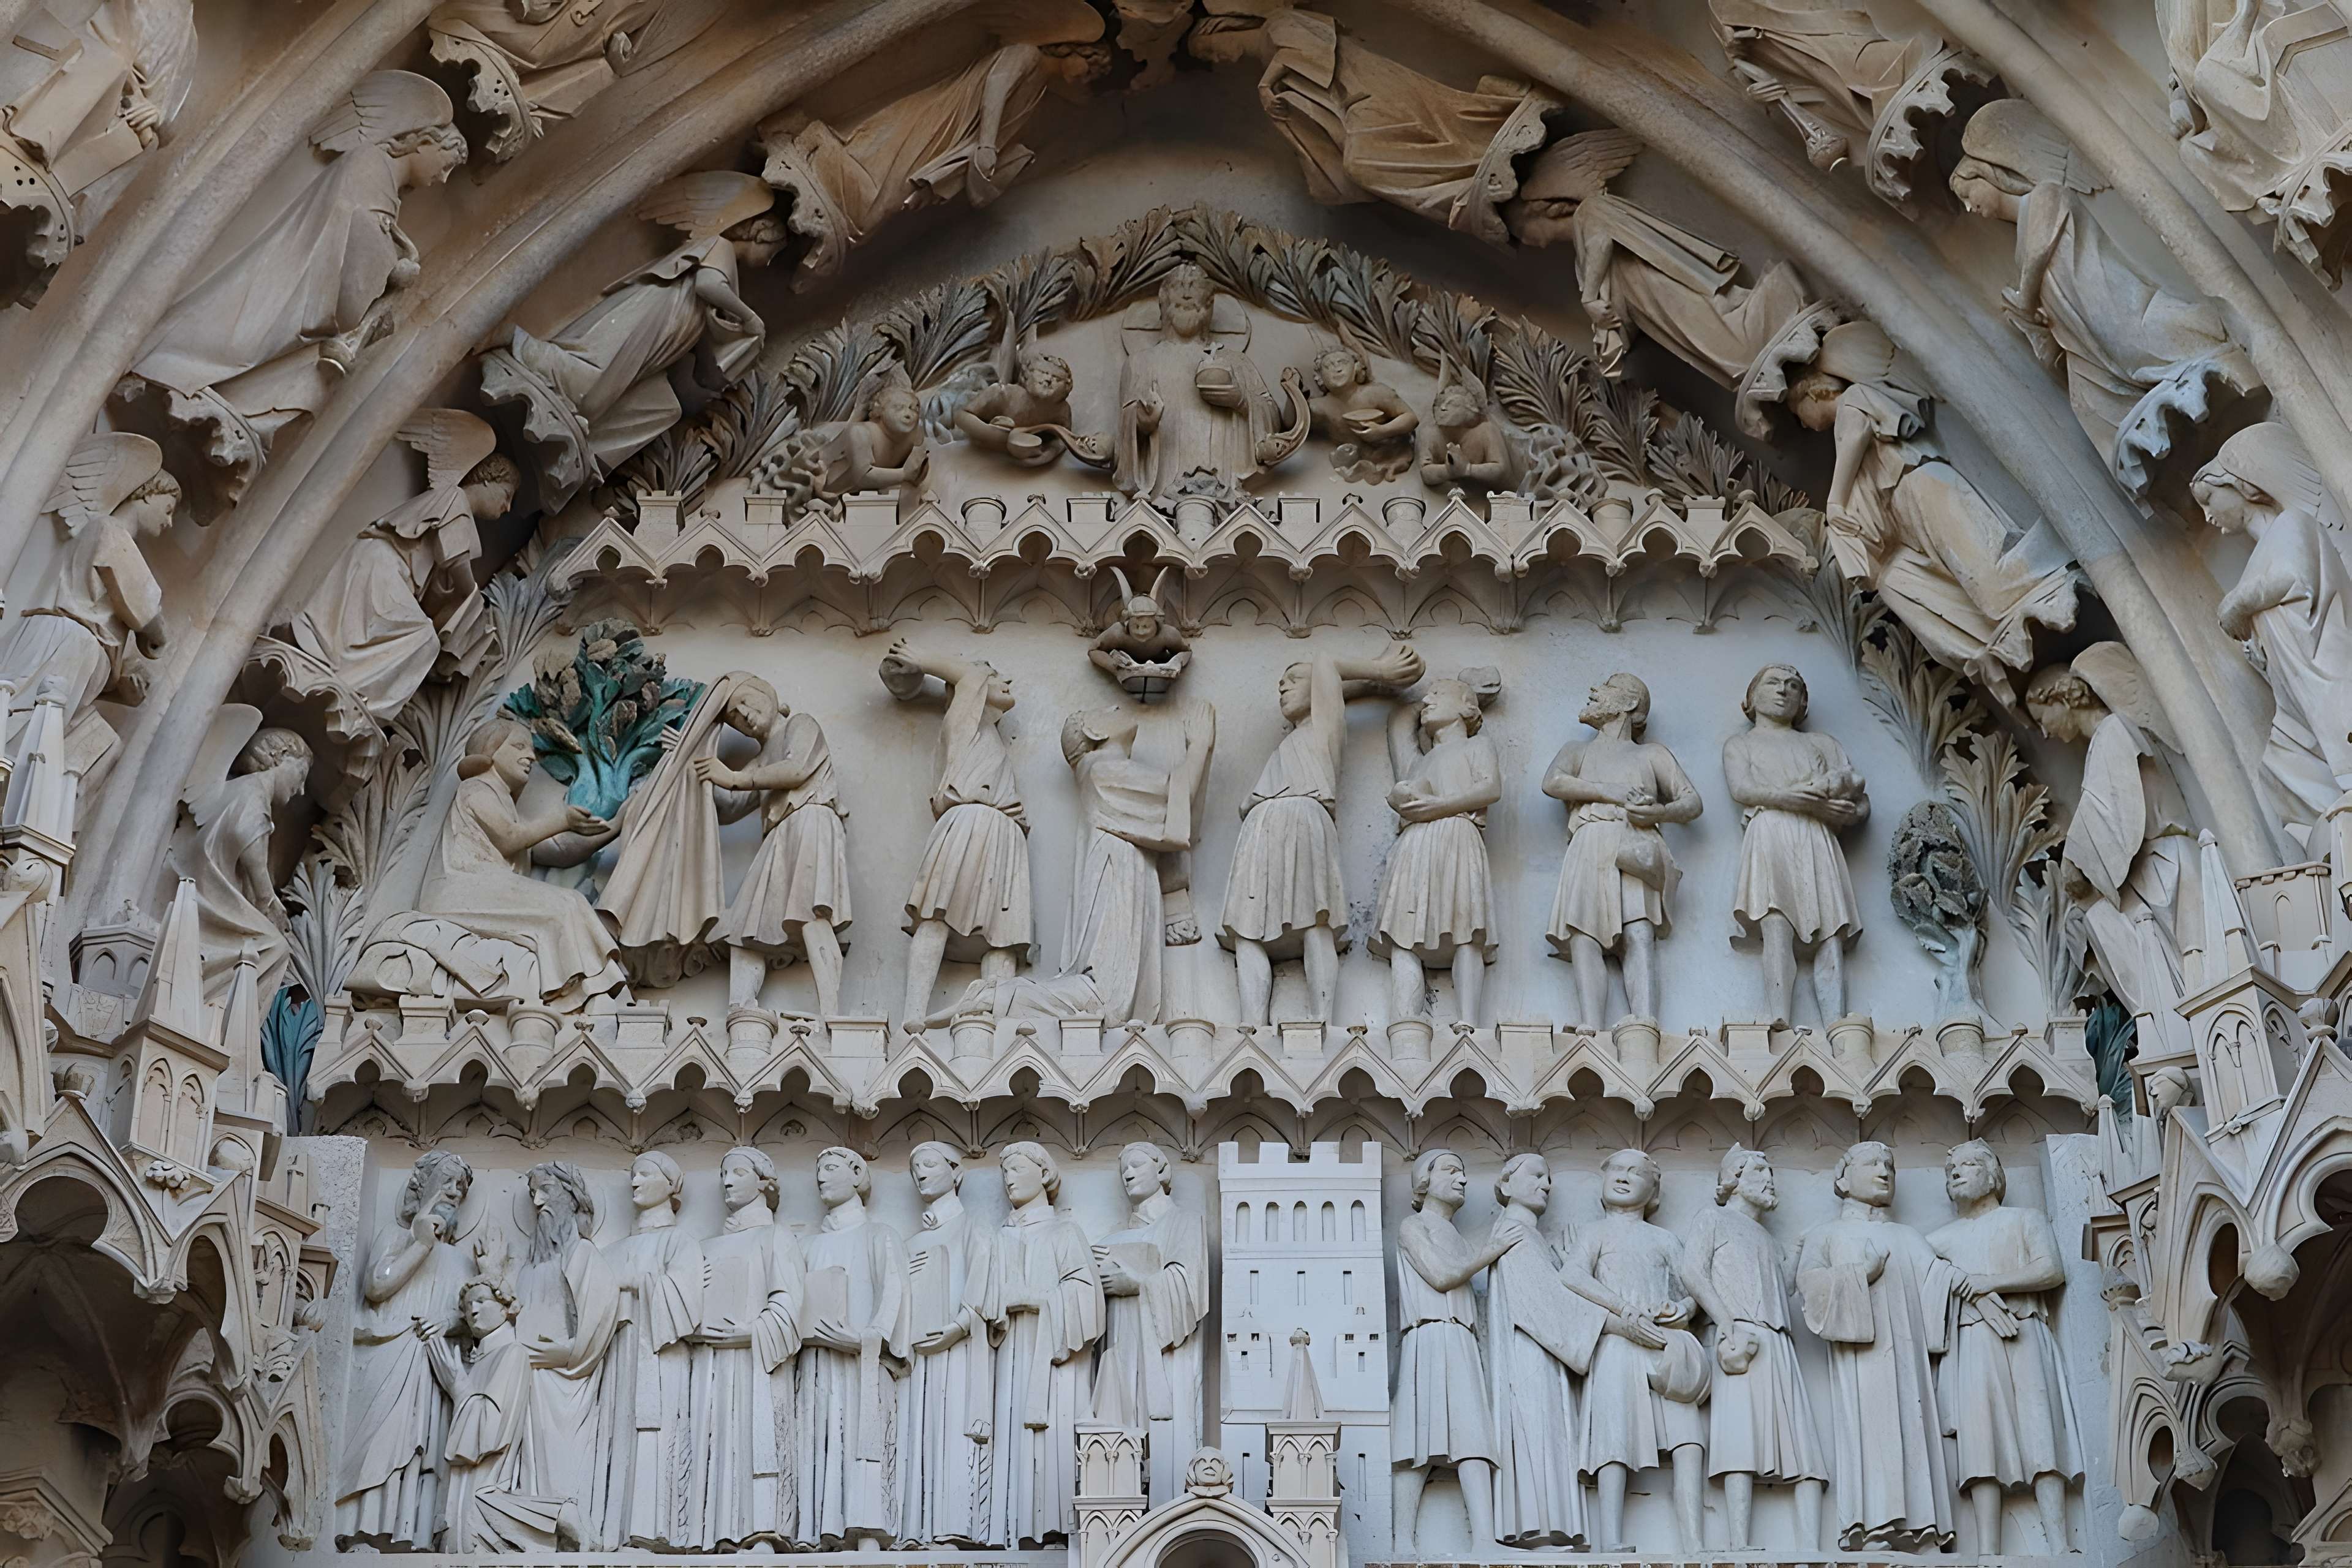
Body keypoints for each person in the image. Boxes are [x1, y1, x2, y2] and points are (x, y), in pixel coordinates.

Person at [1221, 644, 1423, 1024]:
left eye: (1294, 680)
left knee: (1316, 920)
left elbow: (1326, 664)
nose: (1282, 687)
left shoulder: (1324, 727)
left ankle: (1320, 1016)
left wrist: (1377, 671)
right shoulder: (1293, 739)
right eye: (1282, 682)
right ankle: (1252, 1021)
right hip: (1262, 830)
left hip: (1302, 820)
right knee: (1246, 929)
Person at [1795, 1142, 1954, 1551]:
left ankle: (1923, 1529)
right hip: (1861, 1356)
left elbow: (1944, 1282)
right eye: (1872, 1164)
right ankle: (1876, 1525)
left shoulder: (1907, 1236)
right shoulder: (1827, 1235)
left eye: (1890, 1165)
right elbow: (1808, 1286)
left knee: (1915, 1424)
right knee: (1870, 1429)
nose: (1884, 1172)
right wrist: (1858, 1275)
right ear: (1843, 1178)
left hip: (1909, 1354)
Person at [1928, 1140, 2081, 1553]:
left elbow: (2050, 1269)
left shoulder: (2023, 1220)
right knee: (1980, 1436)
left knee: (2040, 1426)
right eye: (1951, 1169)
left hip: (2025, 1329)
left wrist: (1987, 1282)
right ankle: (1988, 1551)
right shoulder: (1939, 1241)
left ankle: (2059, 1543)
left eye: (1969, 1165)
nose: (1957, 1173)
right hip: (1972, 1338)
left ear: (1994, 1174)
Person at [1681, 1145, 1827, 1549]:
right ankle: (1738, 1542)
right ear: (1734, 1178)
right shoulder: (1714, 1219)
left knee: (1802, 1442)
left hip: (1778, 1341)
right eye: (1760, 1171)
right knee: (1738, 1440)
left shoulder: (1767, 1237)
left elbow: (1783, 1286)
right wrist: (1724, 1320)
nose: (1769, 1180)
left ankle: (1811, 1547)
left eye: (1770, 1172)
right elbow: (1692, 1271)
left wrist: (1798, 1252)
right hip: (1738, 1337)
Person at [1542, 673, 1702, 1028]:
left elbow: (1691, 802)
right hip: (1590, 838)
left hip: (1634, 841)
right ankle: (1591, 1025)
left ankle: (1644, 1023)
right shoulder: (1577, 751)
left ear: (1629, 703)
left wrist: (1660, 812)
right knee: (1583, 932)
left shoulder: (1651, 754)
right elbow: (1553, 782)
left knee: (1639, 931)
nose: (1594, 690)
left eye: (1607, 687)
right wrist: (1610, 791)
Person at [1723, 665, 1868, 1025]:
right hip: (1770, 832)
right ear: (1751, 698)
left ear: (1803, 701)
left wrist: (1842, 813)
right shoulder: (1742, 745)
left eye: (1793, 686)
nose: (1783, 691)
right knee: (1776, 923)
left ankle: (1836, 1022)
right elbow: (1743, 789)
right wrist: (1799, 800)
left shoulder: (1820, 744)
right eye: (1772, 683)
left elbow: (1860, 799)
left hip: (1818, 836)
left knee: (1830, 928)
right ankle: (1779, 1016)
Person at [1392, 1149, 1520, 1548]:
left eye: (1463, 1171)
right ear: (1424, 1180)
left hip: (1461, 1339)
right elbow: (1443, 1275)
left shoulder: (1458, 1237)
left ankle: (1484, 1538)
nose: (1462, 1178)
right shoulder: (1414, 1226)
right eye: (1451, 1170)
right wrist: (1492, 1249)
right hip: (1429, 1336)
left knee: (1473, 1434)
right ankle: (1402, 1543)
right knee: (1415, 1439)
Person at [987, 1142, 1103, 1547]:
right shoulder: (997, 1239)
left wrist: (1035, 1300)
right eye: (1005, 1172)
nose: (1010, 1178)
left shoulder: (1064, 1232)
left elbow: (1088, 1298)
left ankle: (1056, 1527)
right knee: (1012, 1435)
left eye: (1018, 1168)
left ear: (1044, 1174)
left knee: (1052, 1435)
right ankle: (1010, 1527)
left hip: (1054, 1357)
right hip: (1009, 1352)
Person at [1372, 671, 1502, 1029]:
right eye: (1426, 697)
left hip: (1458, 835)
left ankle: (1469, 1020)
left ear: (1465, 708)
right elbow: (1399, 720)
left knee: (1466, 927)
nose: (1428, 701)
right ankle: (1406, 1020)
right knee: (1403, 931)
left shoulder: (1477, 746)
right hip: (1415, 844)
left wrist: (1438, 806)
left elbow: (1490, 788)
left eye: (1438, 695)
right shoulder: (1418, 762)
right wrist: (1443, 692)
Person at [1090, 1142, 1210, 1503]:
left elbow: (1191, 1287)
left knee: (1167, 1433)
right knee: (1119, 1413)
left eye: (1137, 1164)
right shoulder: (1111, 1239)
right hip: (1121, 1346)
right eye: (1123, 1168)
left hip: (1165, 1352)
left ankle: (1168, 1500)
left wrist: (1137, 1284)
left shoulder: (1183, 1223)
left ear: (1161, 1170)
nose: (1127, 1173)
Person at [899, 1142, 1000, 1546]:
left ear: (956, 1173)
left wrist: (958, 1326)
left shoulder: (975, 1229)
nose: (920, 1173)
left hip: (959, 1349)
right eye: (914, 1168)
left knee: (955, 1429)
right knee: (916, 1432)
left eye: (928, 1164)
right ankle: (914, 1528)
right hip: (918, 1356)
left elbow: (983, 1286)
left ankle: (955, 1525)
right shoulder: (909, 1244)